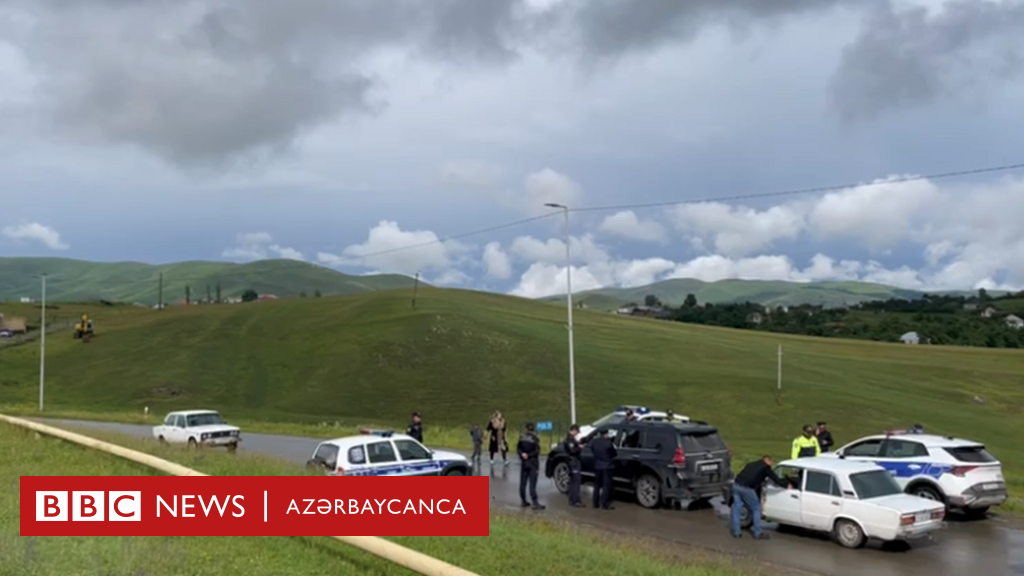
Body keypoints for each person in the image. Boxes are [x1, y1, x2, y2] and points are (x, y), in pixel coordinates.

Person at [731, 455, 791, 539]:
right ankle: (758, 533)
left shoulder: (751, 464)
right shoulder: (766, 468)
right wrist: (787, 484)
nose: (771, 465)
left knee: (737, 508)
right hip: (747, 488)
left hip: (736, 485)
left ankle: (737, 532)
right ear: (768, 461)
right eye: (771, 463)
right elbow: (776, 480)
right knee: (756, 508)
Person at [517, 422, 545, 510]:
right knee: (532, 483)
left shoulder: (522, 438)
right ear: (533, 429)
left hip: (524, 462)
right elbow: (537, 451)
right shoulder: (535, 439)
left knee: (523, 483)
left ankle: (523, 500)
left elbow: (518, 449)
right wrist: (529, 455)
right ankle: (535, 503)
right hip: (532, 463)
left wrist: (523, 455)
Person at [589, 429, 617, 510]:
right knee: (606, 486)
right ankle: (604, 504)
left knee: (597, 485)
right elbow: (614, 453)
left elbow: (593, 450)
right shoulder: (608, 443)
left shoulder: (594, 442)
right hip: (607, 467)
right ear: (606, 434)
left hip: (597, 466)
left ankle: (595, 503)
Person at [563, 424, 584, 507]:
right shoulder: (570, 440)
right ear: (574, 430)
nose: (577, 433)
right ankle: (575, 501)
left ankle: (572, 499)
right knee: (576, 481)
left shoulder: (571, 439)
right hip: (573, 462)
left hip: (572, 462)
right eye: (577, 432)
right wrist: (580, 448)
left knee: (572, 481)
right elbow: (572, 451)